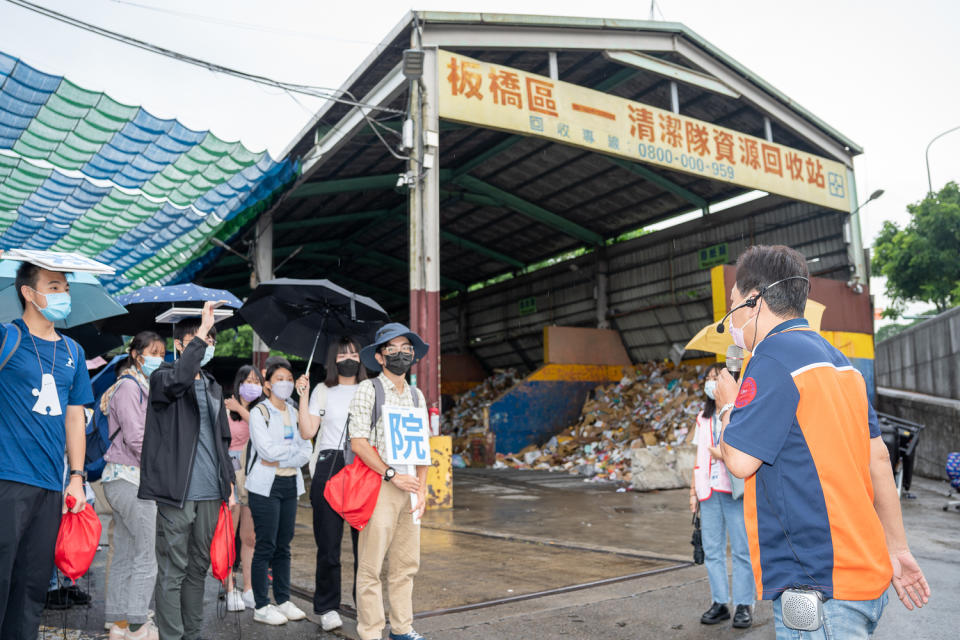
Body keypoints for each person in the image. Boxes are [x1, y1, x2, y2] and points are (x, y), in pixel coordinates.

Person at [714, 245, 930, 639]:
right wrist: (897, 549)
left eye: (733, 307)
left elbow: (740, 461)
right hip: (864, 574)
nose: (730, 320)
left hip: (817, 585)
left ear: (754, 300)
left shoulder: (772, 358)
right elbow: (879, 459)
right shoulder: (840, 362)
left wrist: (728, 407)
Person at [0, 257, 92, 640]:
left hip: (51, 486)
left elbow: (75, 419)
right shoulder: (7, 337)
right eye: (54, 287)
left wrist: (76, 478)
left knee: (32, 584)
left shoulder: (74, 350)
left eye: (66, 288)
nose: (64, 295)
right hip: (7, 479)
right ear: (28, 292)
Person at [138, 302, 236, 640]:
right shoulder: (163, 378)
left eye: (210, 339)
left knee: (198, 568)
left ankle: (192, 634)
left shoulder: (212, 385)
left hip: (211, 492)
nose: (206, 344)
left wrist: (230, 483)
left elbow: (222, 440)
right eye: (198, 339)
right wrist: (203, 330)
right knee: (173, 570)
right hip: (176, 493)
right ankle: (171, 636)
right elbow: (180, 378)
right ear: (180, 344)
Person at [349, 323, 430, 640]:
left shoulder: (416, 395)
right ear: (380, 357)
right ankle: (370, 632)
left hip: (410, 489)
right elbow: (358, 442)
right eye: (392, 348)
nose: (401, 353)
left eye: (406, 347)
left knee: (406, 564)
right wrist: (392, 474)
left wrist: (421, 487)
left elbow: (423, 444)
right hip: (380, 485)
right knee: (371, 565)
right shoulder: (369, 390)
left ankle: (402, 628)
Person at [295, 336, 366, 632]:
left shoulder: (369, 389)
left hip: (364, 465)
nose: (348, 358)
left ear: (362, 358)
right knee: (328, 544)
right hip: (330, 465)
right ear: (331, 359)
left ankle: (365, 605)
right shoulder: (323, 390)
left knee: (366, 545)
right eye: (341, 354)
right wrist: (302, 394)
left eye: (353, 353)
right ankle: (327, 606)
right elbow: (308, 430)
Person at [102, 331, 166, 640]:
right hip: (132, 479)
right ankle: (139, 625)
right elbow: (137, 437)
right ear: (136, 354)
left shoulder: (141, 387)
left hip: (124, 479)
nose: (159, 358)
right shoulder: (129, 388)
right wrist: (162, 468)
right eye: (153, 352)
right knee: (146, 556)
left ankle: (120, 624)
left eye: (162, 353)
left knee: (127, 553)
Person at [245, 361, 311, 626]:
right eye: (279, 378)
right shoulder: (260, 411)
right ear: (268, 384)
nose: (285, 382)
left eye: (289, 377)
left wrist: (286, 457)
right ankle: (261, 605)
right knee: (266, 545)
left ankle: (283, 599)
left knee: (284, 545)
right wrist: (290, 455)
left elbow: (306, 449)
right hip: (265, 487)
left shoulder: (296, 411)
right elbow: (266, 451)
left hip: (290, 485)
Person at [689, 363, 753, 629]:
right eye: (709, 378)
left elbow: (746, 450)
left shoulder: (739, 412)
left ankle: (743, 605)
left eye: (718, 377)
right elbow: (698, 456)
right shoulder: (702, 418)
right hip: (708, 491)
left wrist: (722, 453)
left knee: (741, 551)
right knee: (713, 550)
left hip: (734, 491)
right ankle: (719, 602)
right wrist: (693, 492)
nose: (712, 382)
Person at [222, 365, 262, 612]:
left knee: (250, 537)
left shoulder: (261, 410)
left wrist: (242, 410)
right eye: (247, 380)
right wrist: (236, 409)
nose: (252, 384)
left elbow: (264, 431)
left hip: (255, 474)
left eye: (256, 380)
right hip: (232, 473)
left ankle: (248, 587)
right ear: (238, 383)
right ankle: (229, 587)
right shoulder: (226, 408)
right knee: (229, 533)